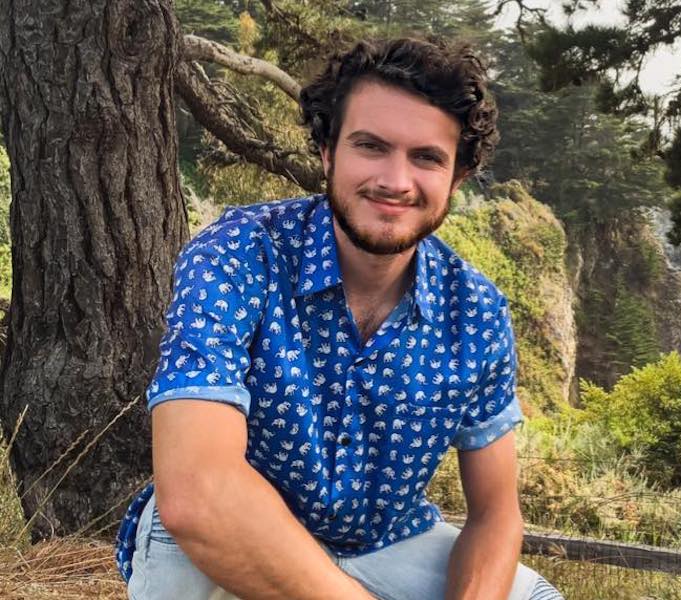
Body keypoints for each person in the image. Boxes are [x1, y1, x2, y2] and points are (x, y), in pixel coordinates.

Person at [114, 37, 563, 600]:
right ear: (328, 151)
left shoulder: (475, 311)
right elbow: (198, 495)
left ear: (458, 177)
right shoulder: (238, 254)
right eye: (371, 146)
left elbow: (495, 517)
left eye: (426, 157)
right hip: (228, 529)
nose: (395, 181)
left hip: (381, 542)